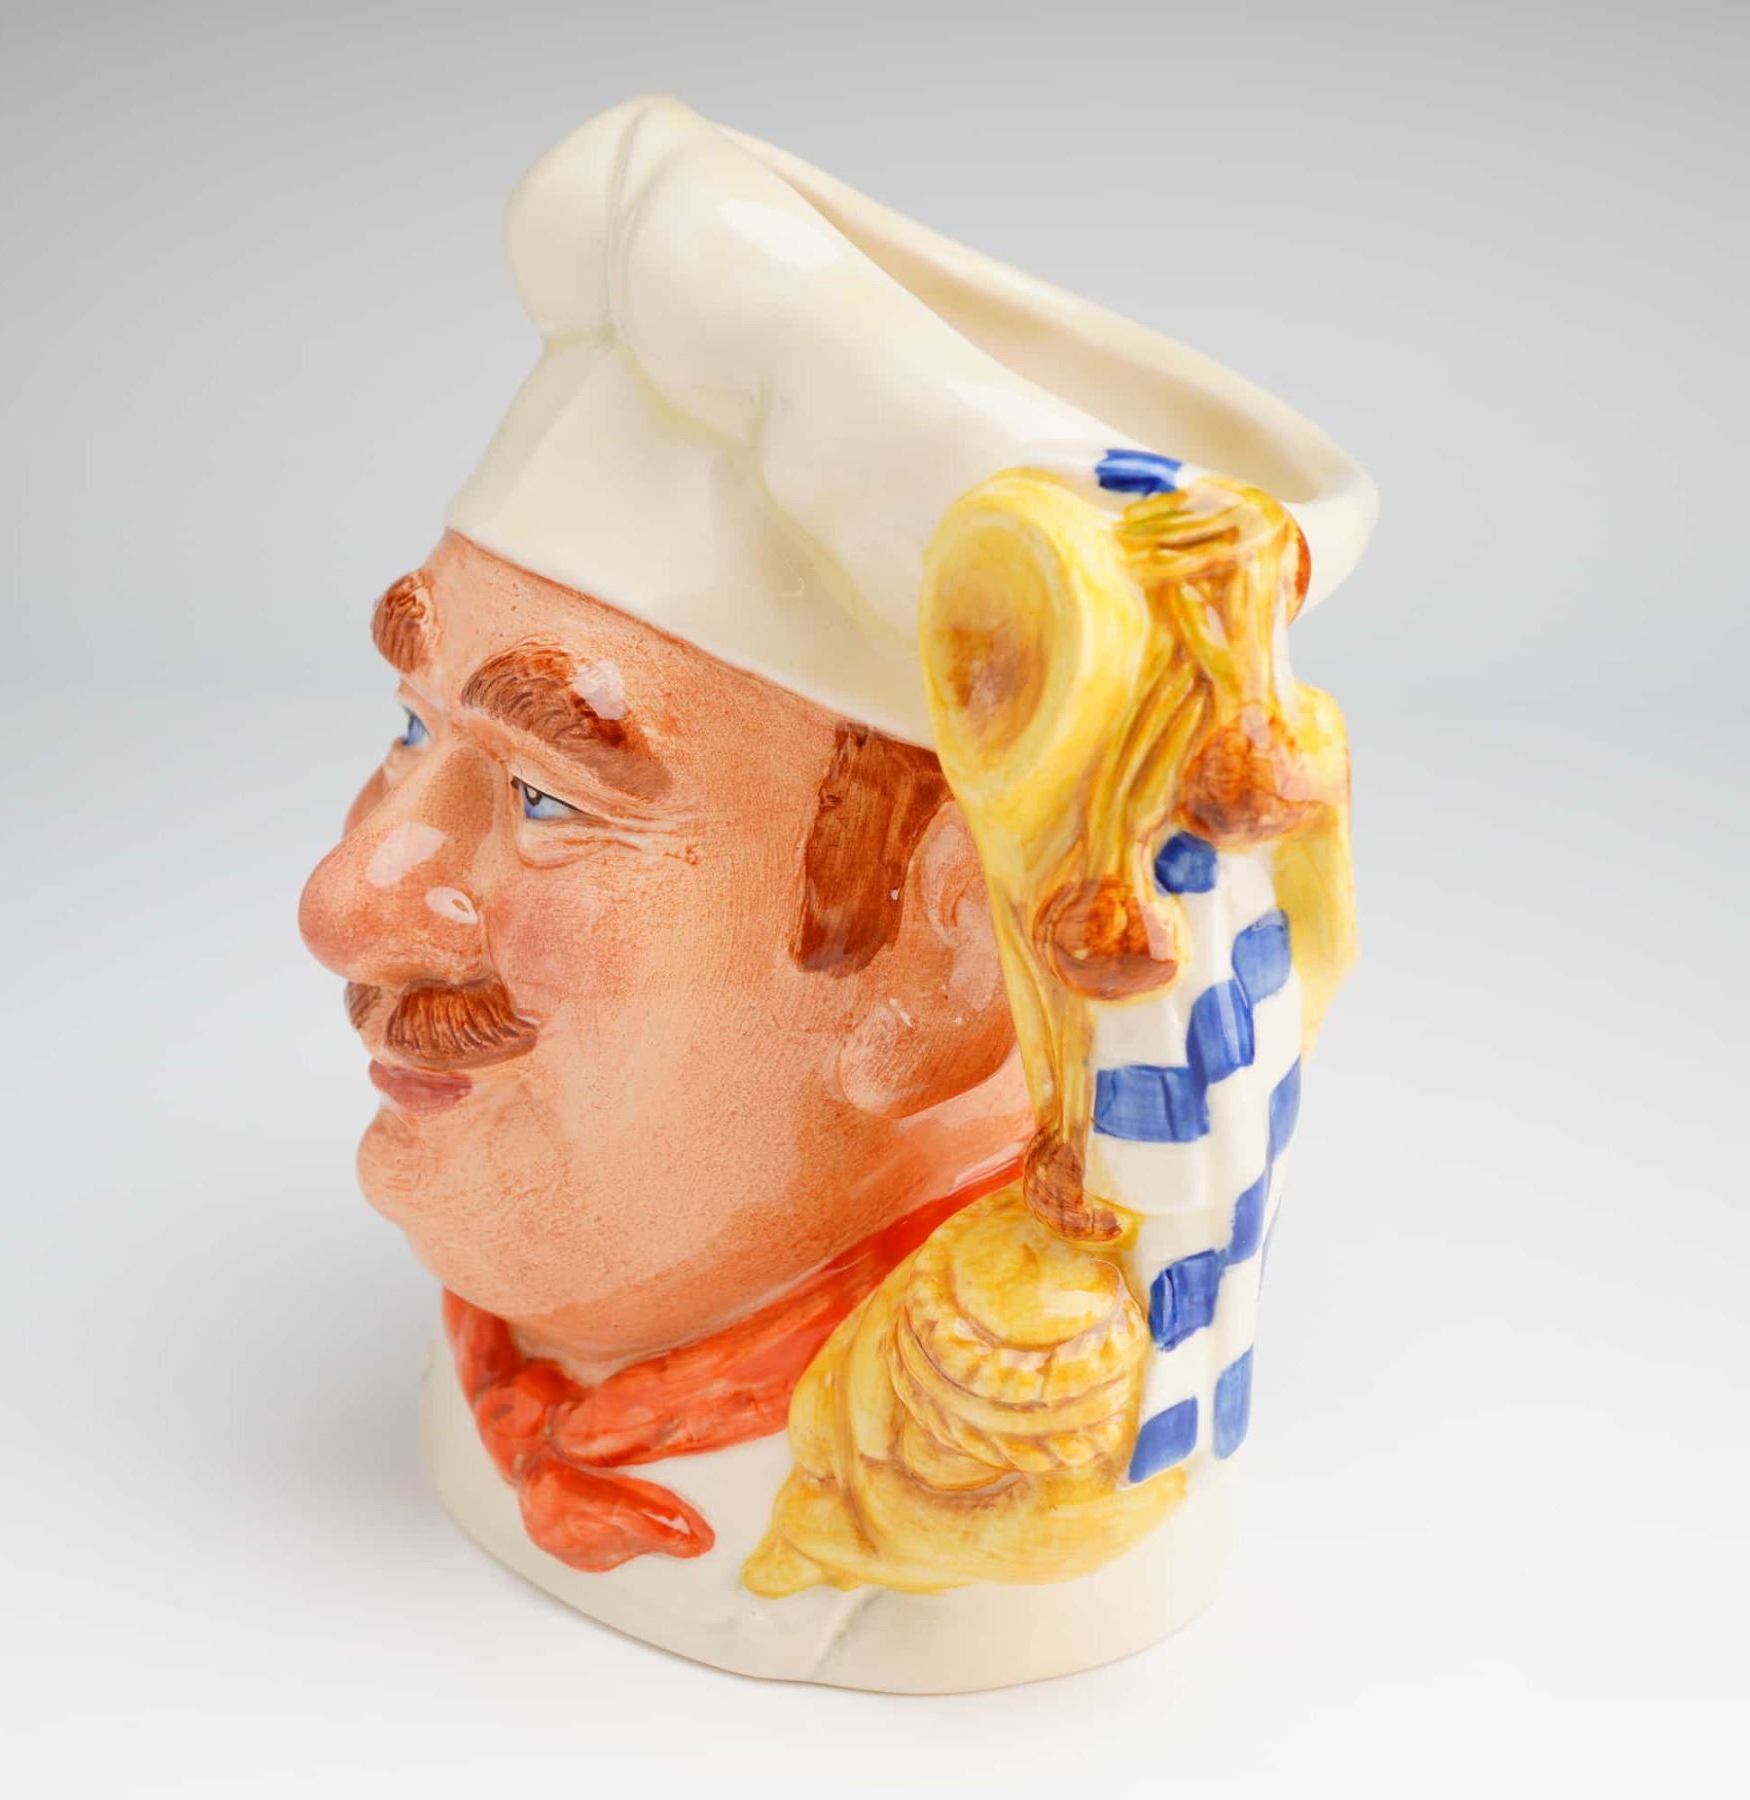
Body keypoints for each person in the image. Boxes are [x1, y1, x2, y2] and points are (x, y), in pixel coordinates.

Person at [298, 96, 1373, 1689]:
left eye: (547, 798)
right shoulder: (492, 1352)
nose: (346, 900)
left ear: (946, 973)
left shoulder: (975, 1466)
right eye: (411, 726)